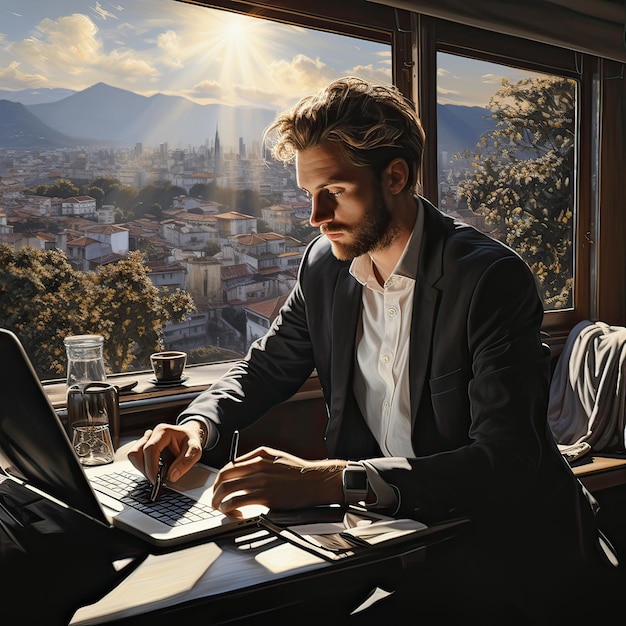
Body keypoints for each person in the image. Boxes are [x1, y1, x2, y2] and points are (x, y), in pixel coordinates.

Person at [129, 77, 619, 623]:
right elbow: (267, 366)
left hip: (509, 554)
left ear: (396, 176)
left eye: (334, 192)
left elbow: (505, 464)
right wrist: (198, 426)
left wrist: (330, 477)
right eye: (306, 193)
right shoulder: (323, 264)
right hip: (387, 538)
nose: (315, 215)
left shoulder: (489, 279)